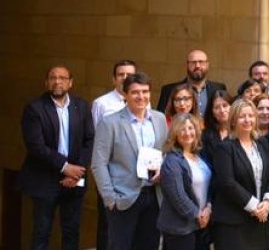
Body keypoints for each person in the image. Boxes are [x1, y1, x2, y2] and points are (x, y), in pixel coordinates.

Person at [19, 65, 93, 250]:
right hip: (45, 179)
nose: (57, 81)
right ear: (46, 82)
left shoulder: (81, 106)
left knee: (71, 231)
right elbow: (36, 146)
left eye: (62, 77)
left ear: (70, 82)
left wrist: (76, 171)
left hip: (74, 179)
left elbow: (90, 140)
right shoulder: (34, 108)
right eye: (52, 77)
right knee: (42, 232)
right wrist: (65, 167)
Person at [93, 71, 168, 250]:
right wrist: (110, 198)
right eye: (135, 92)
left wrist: (162, 171)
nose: (141, 96)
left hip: (153, 196)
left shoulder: (159, 119)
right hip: (123, 198)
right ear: (125, 95)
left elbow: (166, 153)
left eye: (145, 91)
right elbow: (98, 163)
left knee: (149, 245)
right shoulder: (110, 122)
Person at [210, 99, 269, 250]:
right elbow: (227, 183)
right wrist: (255, 206)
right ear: (233, 120)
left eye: (251, 116)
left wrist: (267, 202)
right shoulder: (224, 147)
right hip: (233, 223)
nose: (247, 120)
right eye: (242, 116)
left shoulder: (263, 143)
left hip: (260, 221)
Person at [157, 113, 211, 250]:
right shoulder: (171, 161)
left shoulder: (198, 156)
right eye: (182, 129)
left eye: (190, 128)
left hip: (201, 224)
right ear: (174, 133)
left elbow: (209, 185)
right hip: (180, 228)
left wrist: (209, 209)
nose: (187, 133)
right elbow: (178, 196)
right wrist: (197, 215)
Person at [157, 50, 226, 119]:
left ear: (207, 64)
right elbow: (160, 119)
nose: (197, 66)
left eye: (201, 62)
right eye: (193, 62)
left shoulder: (219, 88)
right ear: (187, 65)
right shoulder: (169, 90)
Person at [202, 90, 234, 159]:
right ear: (212, 113)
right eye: (217, 107)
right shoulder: (205, 135)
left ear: (232, 107)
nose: (222, 110)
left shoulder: (240, 131)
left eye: (225, 106)